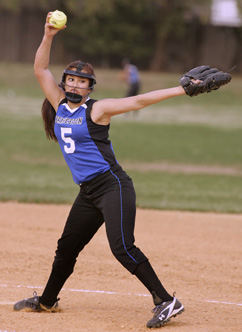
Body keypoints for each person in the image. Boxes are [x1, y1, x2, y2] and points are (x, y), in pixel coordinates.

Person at [13, 12, 231, 329]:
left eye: (82, 81)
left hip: (112, 186)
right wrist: (48, 36)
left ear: (89, 87)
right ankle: (47, 301)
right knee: (66, 249)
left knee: (122, 247)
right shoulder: (58, 103)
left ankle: (166, 301)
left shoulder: (98, 109)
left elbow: (139, 101)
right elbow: (39, 68)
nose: (75, 84)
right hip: (88, 193)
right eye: (71, 79)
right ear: (65, 83)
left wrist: (182, 90)